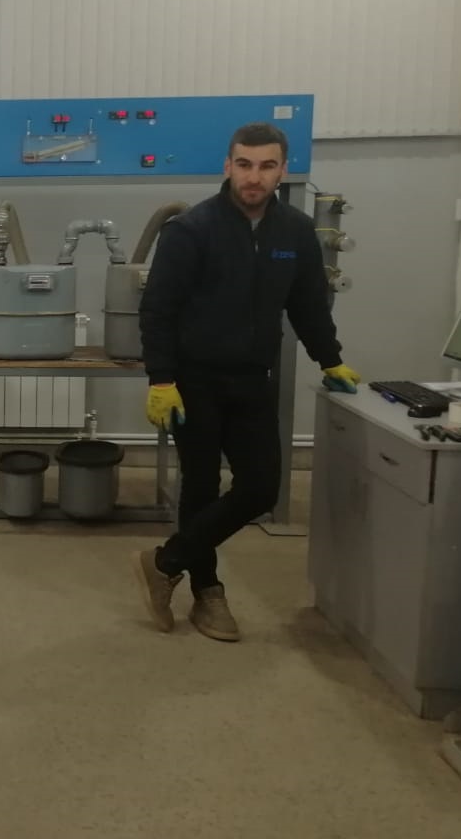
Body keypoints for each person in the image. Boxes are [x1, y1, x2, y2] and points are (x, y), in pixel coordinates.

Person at [135, 121, 360, 642]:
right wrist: (161, 378)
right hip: (193, 381)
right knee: (200, 486)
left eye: (265, 166)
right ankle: (208, 593)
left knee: (260, 487)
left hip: (253, 378)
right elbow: (157, 310)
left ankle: (165, 562)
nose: (253, 177)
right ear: (228, 166)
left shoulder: (296, 233)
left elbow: (308, 305)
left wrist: (330, 360)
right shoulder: (191, 230)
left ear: (283, 170)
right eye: (244, 164)